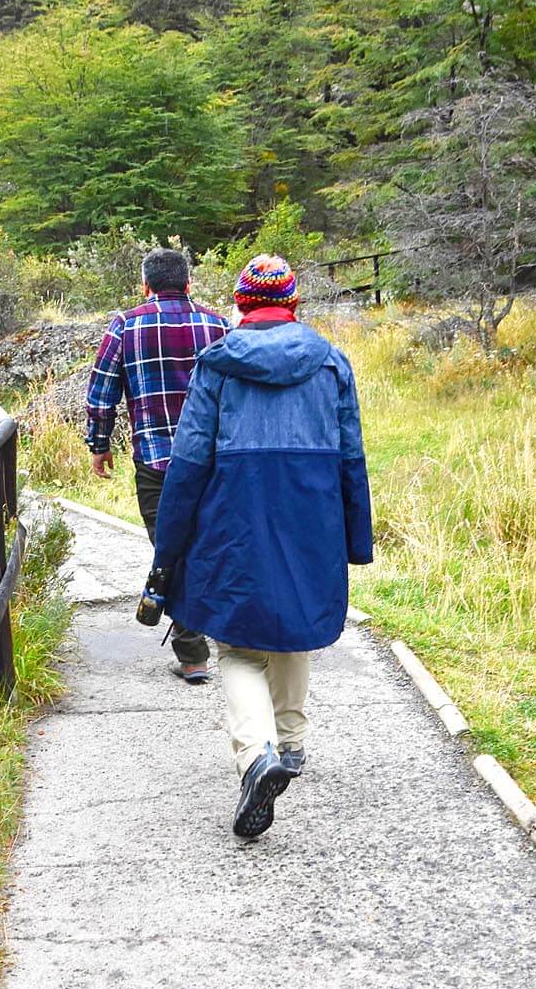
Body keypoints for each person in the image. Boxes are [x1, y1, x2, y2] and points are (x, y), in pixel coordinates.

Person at [146, 254, 373, 838]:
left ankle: (257, 756)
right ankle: (291, 745)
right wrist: (356, 537)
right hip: (312, 514)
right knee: (295, 621)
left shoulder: (217, 364)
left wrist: (168, 548)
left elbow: (191, 459)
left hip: (233, 516)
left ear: (242, 305)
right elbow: (351, 455)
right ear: (294, 304)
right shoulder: (331, 362)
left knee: (239, 644)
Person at [85, 247, 229, 683]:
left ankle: (192, 653)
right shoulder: (219, 324)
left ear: (145, 285)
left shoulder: (125, 325)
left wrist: (99, 444)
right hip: (214, 460)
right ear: (189, 284)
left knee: (170, 549)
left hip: (157, 460)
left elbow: (102, 391)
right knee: (213, 543)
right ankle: (227, 634)